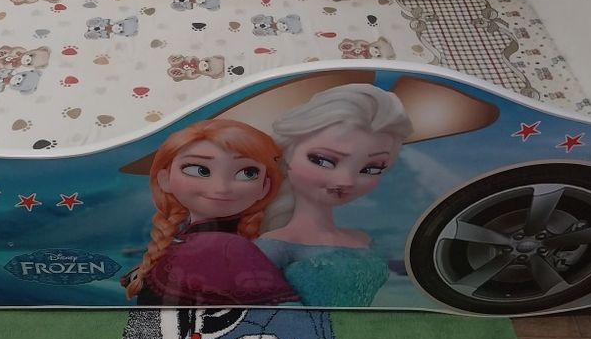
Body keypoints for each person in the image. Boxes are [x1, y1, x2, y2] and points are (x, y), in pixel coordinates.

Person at [258, 84, 413, 306]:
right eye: (323, 161)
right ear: (286, 154)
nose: (346, 181)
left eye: (371, 169)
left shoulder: (367, 241)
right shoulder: (274, 247)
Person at [123, 119, 298, 305]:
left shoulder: (231, 247)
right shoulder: (183, 242)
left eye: (247, 173)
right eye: (199, 170)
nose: (222, 188)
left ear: (264, 186)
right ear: (165, 179)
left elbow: (284, 313)